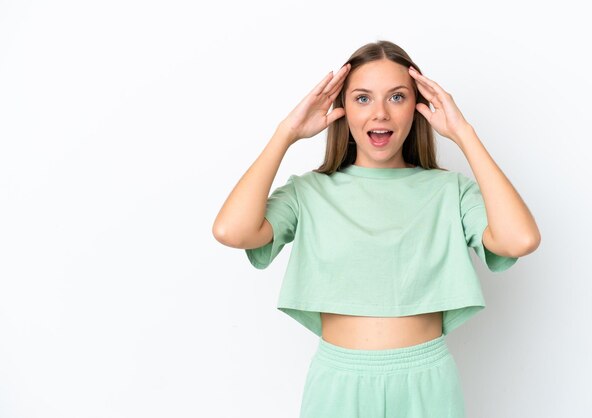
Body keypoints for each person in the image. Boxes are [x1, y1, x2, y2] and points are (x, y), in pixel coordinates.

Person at [213, 40, 540, 418]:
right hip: (338, 384)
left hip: (426, 383)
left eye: (397, 97)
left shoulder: (449, 191)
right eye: (363, 98)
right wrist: (286, 133)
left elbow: (521, 239)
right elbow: (231, 231)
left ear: (417, 108)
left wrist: (464, 134)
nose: (380, 113)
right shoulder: (309, 192)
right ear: (342, 108)